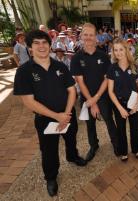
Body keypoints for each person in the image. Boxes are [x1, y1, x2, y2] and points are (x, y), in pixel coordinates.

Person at [13, 30, 86, 197]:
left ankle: (72, 156)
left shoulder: (60, 66)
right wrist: (56, 117)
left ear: (50, 45)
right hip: (45, 120)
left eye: (44, 42)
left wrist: (66, 114)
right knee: (49, 150)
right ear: (29, 48)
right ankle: (51, 177)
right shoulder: (24, 72)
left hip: (67, 115)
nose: (41, 46)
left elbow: (71, 90)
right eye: (36, 43)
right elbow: (28, 102)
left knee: (71, 138)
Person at [70, 23, 119, 162]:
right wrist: (91, 101)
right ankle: (93, 145)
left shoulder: (103, 56)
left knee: (109, 121)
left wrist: (96, 98)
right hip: (86, 98)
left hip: (103, 96)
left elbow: (107, 79)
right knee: (90, 124)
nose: (88, 37)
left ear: (96, 37)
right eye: (85, 34)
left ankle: (116, 144)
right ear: (81, 36)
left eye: (91, 35)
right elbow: (80, 82)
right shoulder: (76, 58)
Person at [107, 38, 138, 161]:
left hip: (134, 101)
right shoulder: (112, 68)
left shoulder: (135, 66)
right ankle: (123, 151)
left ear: (126, 49)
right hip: (119, 103)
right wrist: (120, 108)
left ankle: (137, 149)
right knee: (121, 130)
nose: (118, 52)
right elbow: (110, 91)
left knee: (135, 128)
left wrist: (137, 104)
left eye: (121, 49)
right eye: (115, 50)